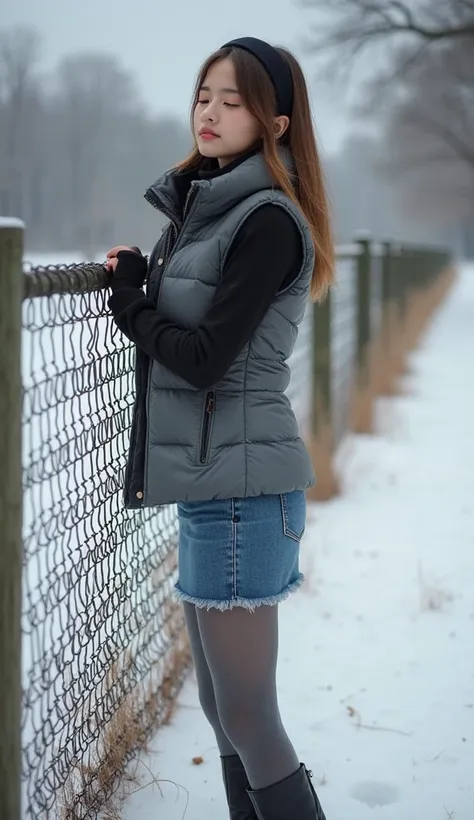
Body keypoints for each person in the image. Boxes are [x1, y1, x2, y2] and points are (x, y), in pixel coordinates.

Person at [106, 36, 334, 820]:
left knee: (247, 717)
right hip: (219, 489)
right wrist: (145, 274)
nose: (210, 111)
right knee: (222, 713)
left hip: (242, 497)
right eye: (204, 94)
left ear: (273, 123)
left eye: (231, 100)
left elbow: (203, 359)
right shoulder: (209, 210)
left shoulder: (266, 221)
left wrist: (131, 301)